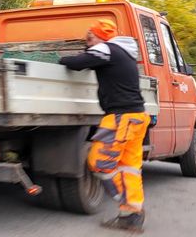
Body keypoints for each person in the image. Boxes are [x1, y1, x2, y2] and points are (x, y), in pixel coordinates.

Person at [59, 19, 151, 233]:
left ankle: (130, 208)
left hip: (122, 118)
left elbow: (77, 63)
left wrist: (59, 59)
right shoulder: (123, 52)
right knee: (128, 168)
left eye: (90, 37)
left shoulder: (107, 49)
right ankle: (131, 216)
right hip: (136, 116)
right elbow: (90, 58)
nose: (88, 42)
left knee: (100, 162)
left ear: (99, 36)